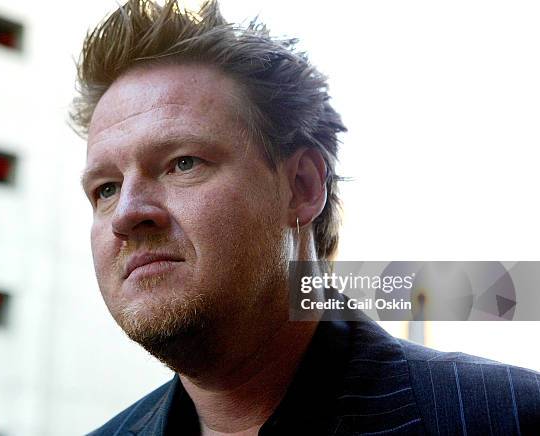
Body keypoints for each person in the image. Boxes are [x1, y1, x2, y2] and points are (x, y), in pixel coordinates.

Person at [71, 1, 540, 434]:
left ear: (302, 187)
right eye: (105, 189)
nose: (127, 213)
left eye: (183, 163)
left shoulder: (506, 417)